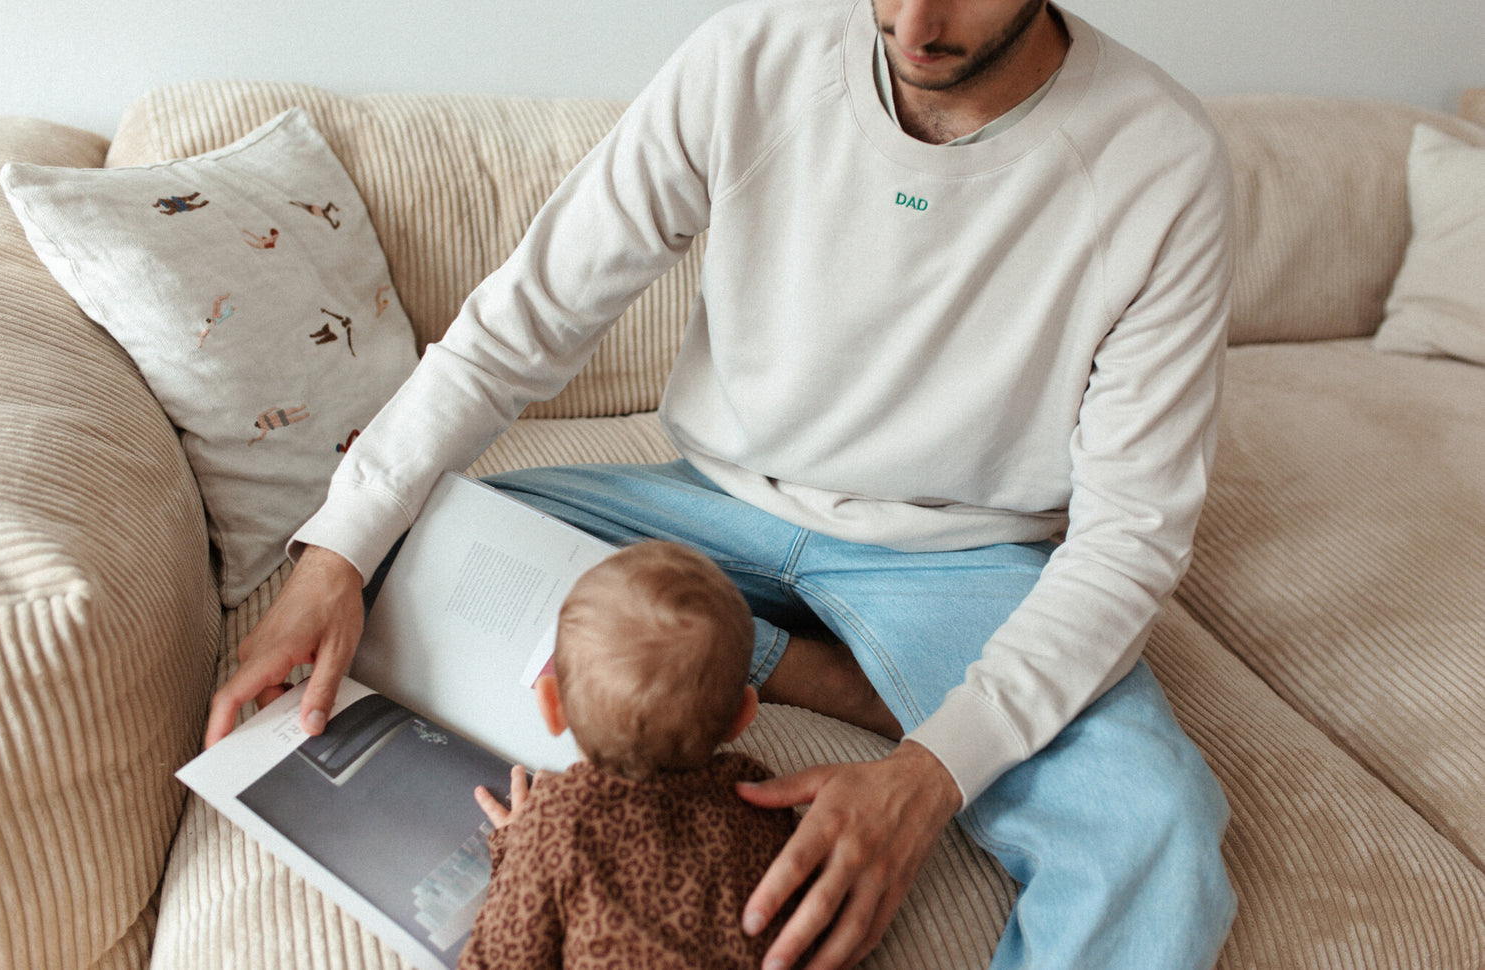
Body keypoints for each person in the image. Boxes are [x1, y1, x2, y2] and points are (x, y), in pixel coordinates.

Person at [207, 0, 1239, 967]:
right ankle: (827, 674)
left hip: (959, 559)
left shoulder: (1160, 162)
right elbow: (518, 324)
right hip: (709, 505)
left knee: (1157, 832)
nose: (917, 23)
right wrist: (338, 549)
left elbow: (1129, 539)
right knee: (415, 536)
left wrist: (931, 777)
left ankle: (891, 682)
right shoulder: (753, 56)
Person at [457, 540, 800, 969]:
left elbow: (497, 962)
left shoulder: (556, 823)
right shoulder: (763, 799)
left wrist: (517, 847)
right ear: (744, 714)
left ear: (551, 705)